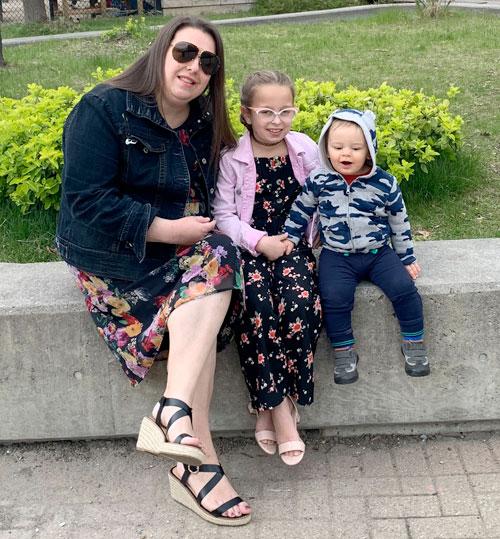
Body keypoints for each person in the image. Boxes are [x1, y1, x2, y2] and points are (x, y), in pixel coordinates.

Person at [56, 16, 251, 526]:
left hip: (184, 257)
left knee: (216, 266)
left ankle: (176, 420)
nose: (194, 68)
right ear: (162, 50)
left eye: (208, 62)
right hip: (117, 265)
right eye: (185, 53)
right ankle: (197, 459)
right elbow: (84, 201)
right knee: (208, 284)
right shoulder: (103, 109)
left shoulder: (204, 119)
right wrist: (170, 231)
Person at [212, 71, 322, 466]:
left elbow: (321, 195)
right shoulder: (233, 159)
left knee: (299, 303)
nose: (277, 121)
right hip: (249, 248)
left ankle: (273, 401)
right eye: (266, 112)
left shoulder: (305, 149)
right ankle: (278, 411)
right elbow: (223, 214)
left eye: (286, 111)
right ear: (246, 113)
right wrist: (258, 242)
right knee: (256, 306)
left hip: (293, 245)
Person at [283, 108, 429, 385]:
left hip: (378, 254)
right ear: (326, 147)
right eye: (337, 147)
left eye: (355, 148)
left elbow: (399, 221)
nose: (345, 154)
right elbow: (300, 210)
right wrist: (290, 236)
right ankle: (344, 350)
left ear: (370, 149)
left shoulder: (384, 183)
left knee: (404, 289)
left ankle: (414, 342)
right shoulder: (320, 180)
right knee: (334, 298)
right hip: (336, 256)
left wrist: (406, 256)